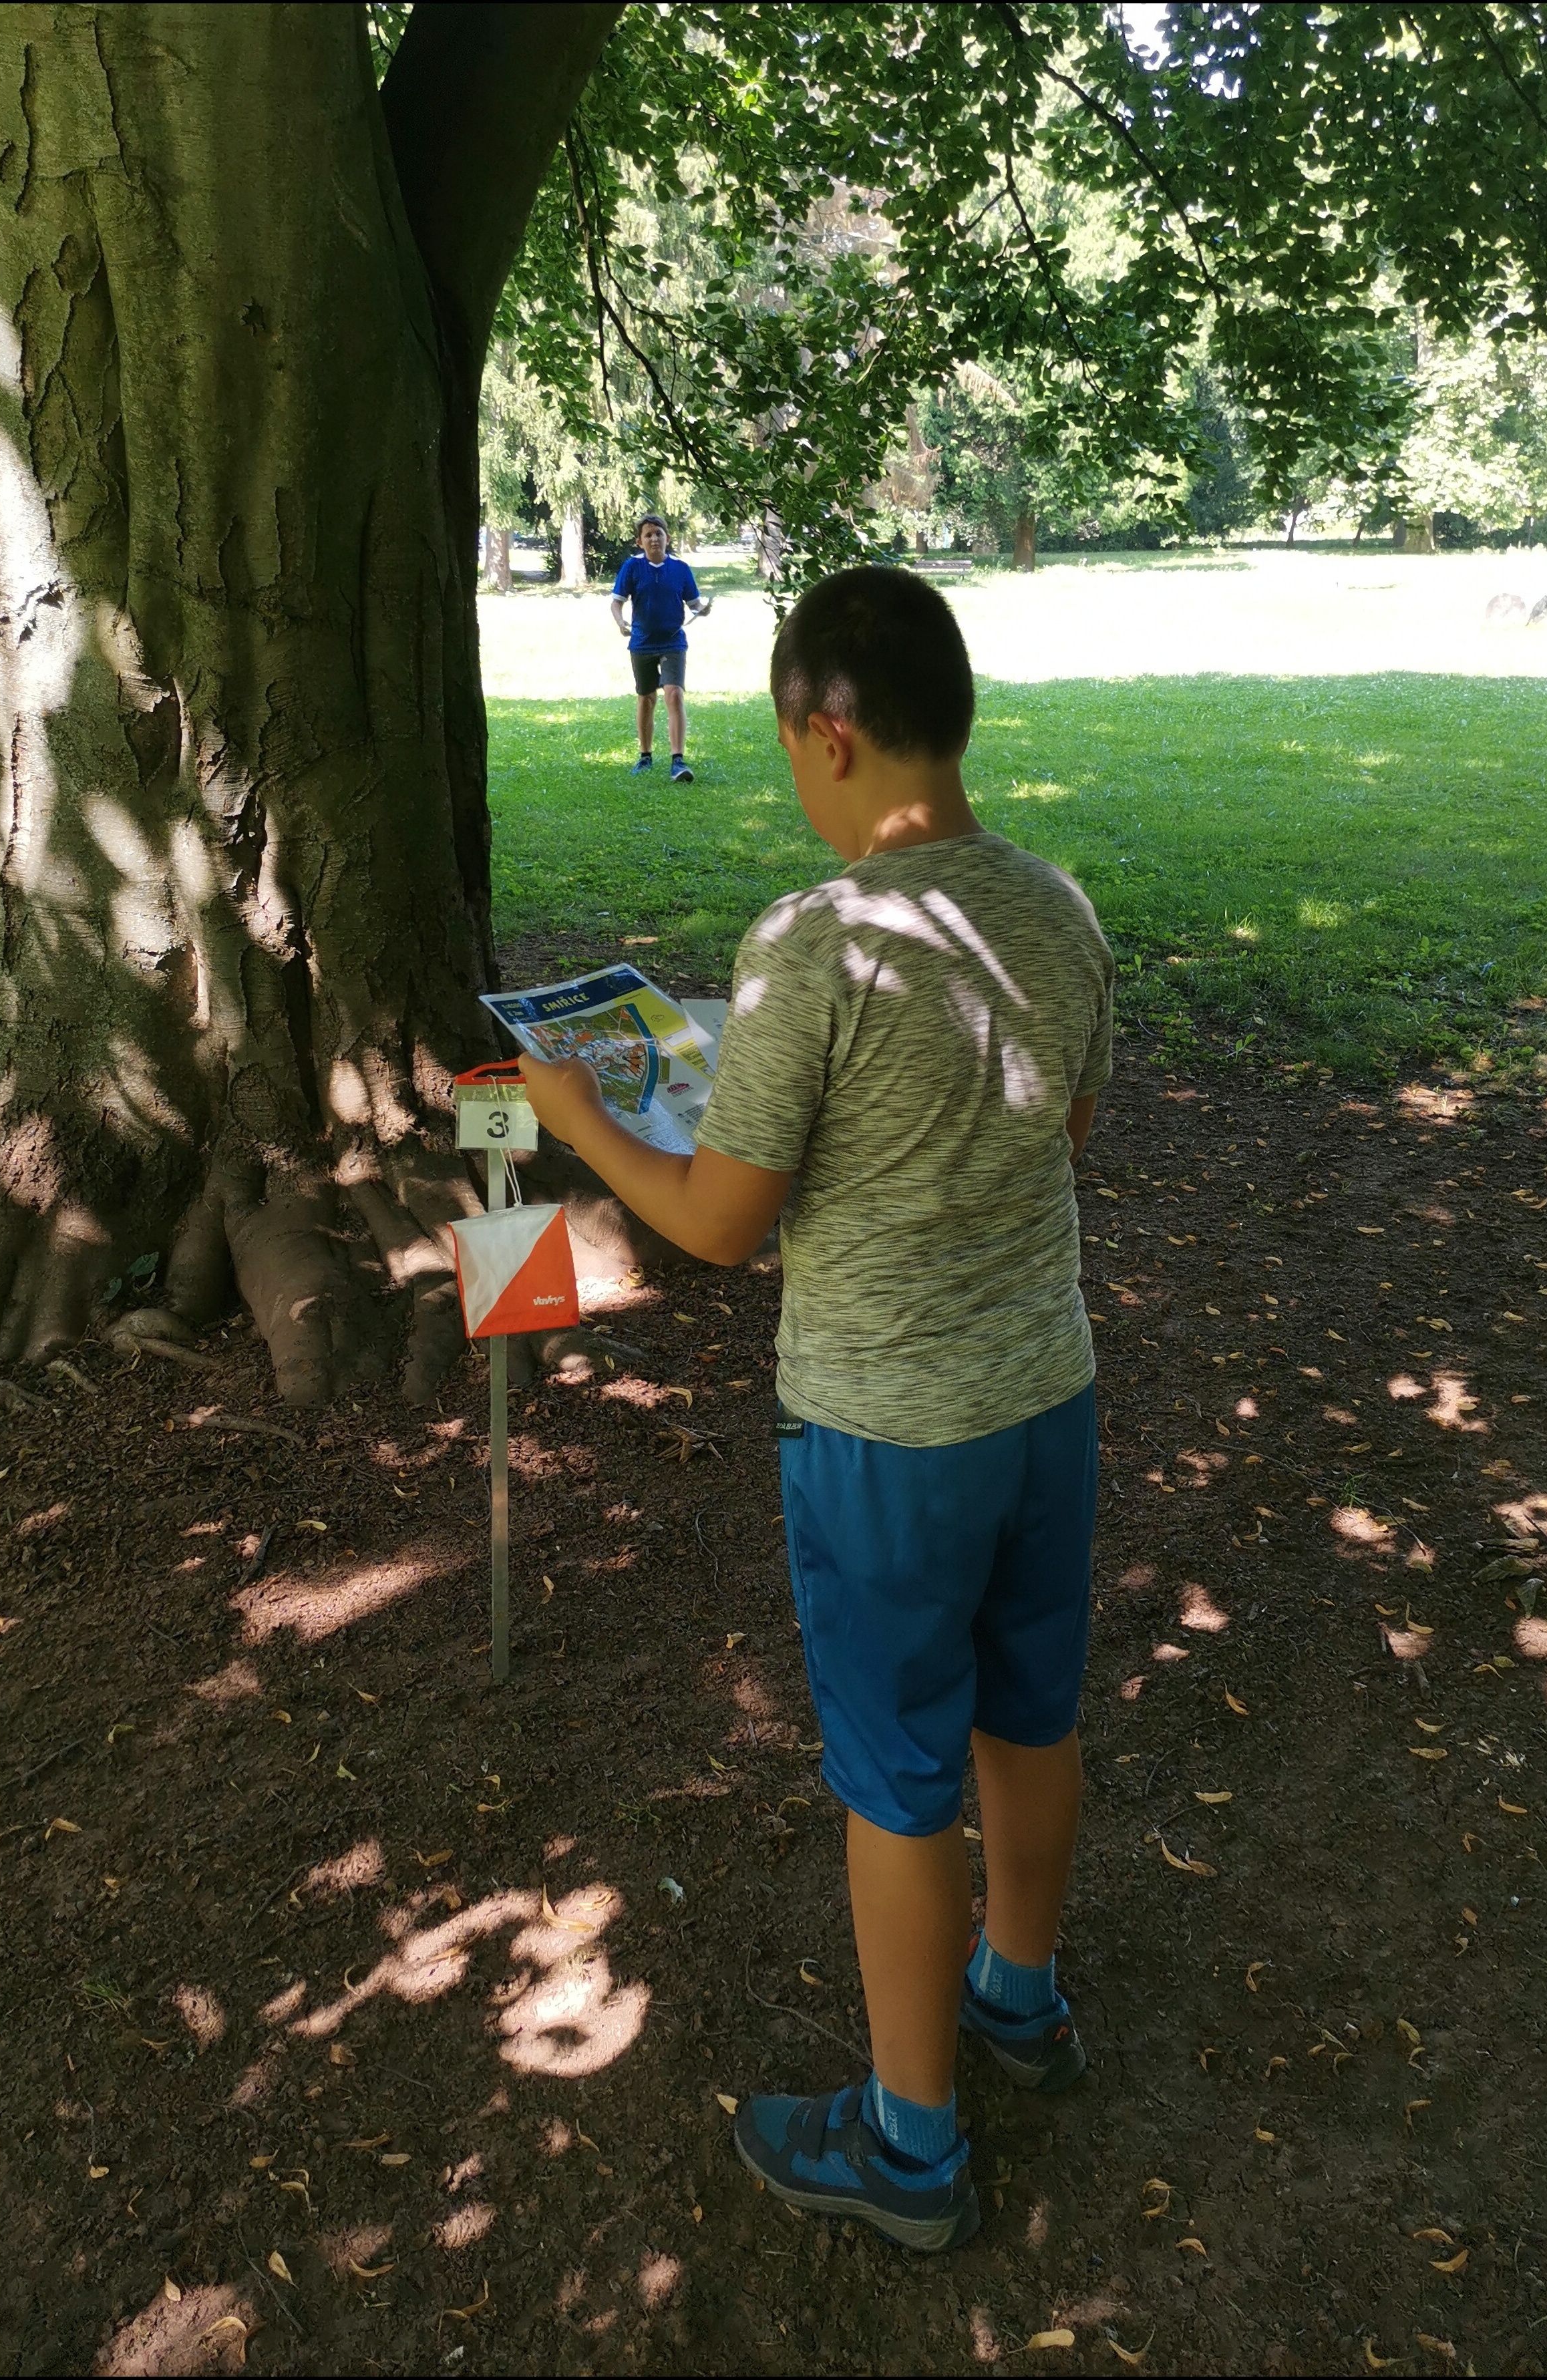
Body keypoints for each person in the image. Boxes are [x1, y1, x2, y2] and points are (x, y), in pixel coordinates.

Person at [515, 566, 1113, 2254]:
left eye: (789, 745)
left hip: (881, 1436)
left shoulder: (812, 942)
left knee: (898, 1773)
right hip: (1043, 1398)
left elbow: (717, 1224)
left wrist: (579, 1114)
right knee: (1028, 1713)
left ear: (828, 734)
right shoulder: (1057, 908)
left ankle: (910, 2147)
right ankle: (1018, 1996)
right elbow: (1063, 1130)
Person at [610, 514, 709, 782]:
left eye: (659, 534)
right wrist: (621, 622)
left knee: (674, 694)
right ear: (639, 541)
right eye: (648, 535)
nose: (654, 539)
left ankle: (678, 761)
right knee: (647, 698)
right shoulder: (632, 567)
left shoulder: (680, 568)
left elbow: (694, 603)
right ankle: (645, 757)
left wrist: (703, 609)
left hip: (673, 642)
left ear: (668, 538)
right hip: (642, 643)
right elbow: (617, 602)